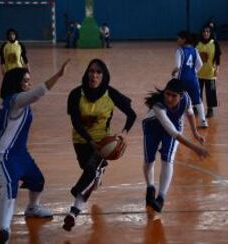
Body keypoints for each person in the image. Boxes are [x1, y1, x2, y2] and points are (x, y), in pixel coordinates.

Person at [0, 59, 69, 244]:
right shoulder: (15, 100)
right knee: (9, 188)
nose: (29, 84)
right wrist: (58, 76)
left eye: (29, 80)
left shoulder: (13, 102)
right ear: (16, 84)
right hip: (3, 156)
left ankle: (32, 208)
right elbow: (37, 94)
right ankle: (4, 230)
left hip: (19, 153)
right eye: (25, 81)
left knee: (37, 180)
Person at [63, 58, 136, 231]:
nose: (94, 75)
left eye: (98, 72)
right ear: (86, 73)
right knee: (89, 172)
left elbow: (131, 115)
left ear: (104, 76)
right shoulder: (75, 94)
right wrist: (90, 142)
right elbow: (76, 122)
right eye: (91, 71)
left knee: (90, 171)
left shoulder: (110, 93)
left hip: (104, 142)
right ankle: (96, 177)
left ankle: (73, 212)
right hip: (81, 140)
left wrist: (124, 133)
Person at [143, 78, 209, 213]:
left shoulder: (186, 99)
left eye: (174, 96)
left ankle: (160, 198)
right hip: (152, 125)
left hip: (174, 124)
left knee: (167, 159)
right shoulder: (157, 104)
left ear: (181, 95)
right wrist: (194, 147)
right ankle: (150, 187)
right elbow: (172, 132)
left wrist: (195, 133)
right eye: (167, 94)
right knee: (149, 160)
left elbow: (190, 114)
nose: (169, 98)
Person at [171, 31, 208, 128]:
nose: (177, 40)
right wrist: (193, 72)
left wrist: (173, 72)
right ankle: (203, 121)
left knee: (179, 99)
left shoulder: (179, 51)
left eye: (179, 38)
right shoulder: (195, 50)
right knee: (197, 100)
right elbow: (200, 64)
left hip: (181, 80)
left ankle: (179, 121)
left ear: (184, 40)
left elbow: (178, 66)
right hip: (193, 79)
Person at [196, 25, 222, 118]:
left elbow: (218, 58)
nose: (205, 33)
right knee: (197, 92)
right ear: (201, 33)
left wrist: (217, 69)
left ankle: (210, 110)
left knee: (210, 92)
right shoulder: (197, 43)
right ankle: (196, 108)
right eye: (204, 31)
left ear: (210, 33)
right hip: (198, 73)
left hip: (210, 73)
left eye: (207, 31)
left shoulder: (214, 43)